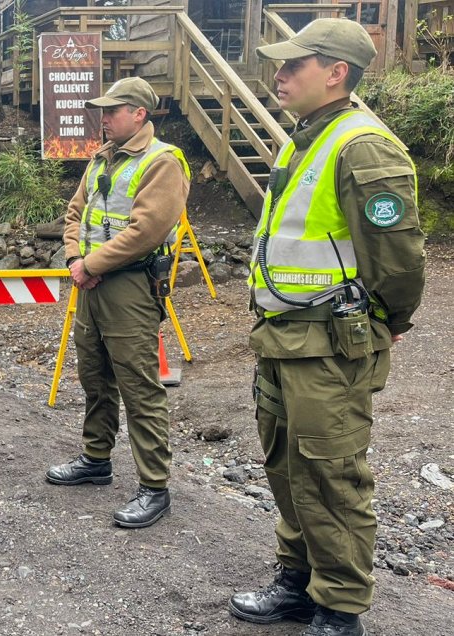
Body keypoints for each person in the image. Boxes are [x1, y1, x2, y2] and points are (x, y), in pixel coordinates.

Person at [228, 19, 425, 636]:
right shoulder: (307, 138)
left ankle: (340, 608)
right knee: (287, 467)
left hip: (331, 345)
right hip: (284, 338)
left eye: (295, 65)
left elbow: (398, 262)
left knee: (332, 472)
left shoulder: (362, 146)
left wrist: (387, 323)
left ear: (336, 73)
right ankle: (296, 581)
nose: (279, 75)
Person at [45, 77, 190, 529]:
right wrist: (75, 258)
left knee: (139, 387)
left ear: (140, 114)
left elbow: (146, 231)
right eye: (102, 111)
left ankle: (154, 486)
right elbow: (75, 214)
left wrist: (91, 265)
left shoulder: (162, 162)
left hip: (128, 287)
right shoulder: (101, 159)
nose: (103, 118)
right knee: (95, 376)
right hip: (91, 285)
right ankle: (96, 459)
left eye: (112, 110)